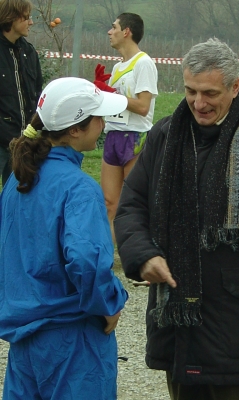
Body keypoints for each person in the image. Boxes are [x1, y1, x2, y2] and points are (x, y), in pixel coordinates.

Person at [114, 38, 239, 400]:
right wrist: (143, 254)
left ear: (235, 87)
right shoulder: (165, 136)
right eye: (190, 91)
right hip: (179, 333)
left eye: (210, 93)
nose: (199, 103)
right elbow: (132, 204)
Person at [0, 77, 128, 400]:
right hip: (73, 342)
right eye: (98, 116)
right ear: (75, 129)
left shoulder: (16, 181)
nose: (103, 123)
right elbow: (86, 260)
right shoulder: (79, 188)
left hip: (24, 342)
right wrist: (109, 303)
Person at [94, 12, 158, 242]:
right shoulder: (118, 65)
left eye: (114, 27)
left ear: (126, 32)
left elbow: (142, 106)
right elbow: (111, 103)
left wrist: (113, 96)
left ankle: (141, 254)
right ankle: (108, 260)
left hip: (136, 138)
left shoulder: (144, 64)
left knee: (134, 202)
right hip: (113, 136)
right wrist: (99, 92)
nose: (110, 32)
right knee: (110, 202)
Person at [0, 0, 43, 188]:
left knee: (20, 193)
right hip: (1, 140)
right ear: (11, 17)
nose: (31, 22)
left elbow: (39, 95)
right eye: (26, 17)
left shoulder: (29, 52)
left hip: (24, 142)